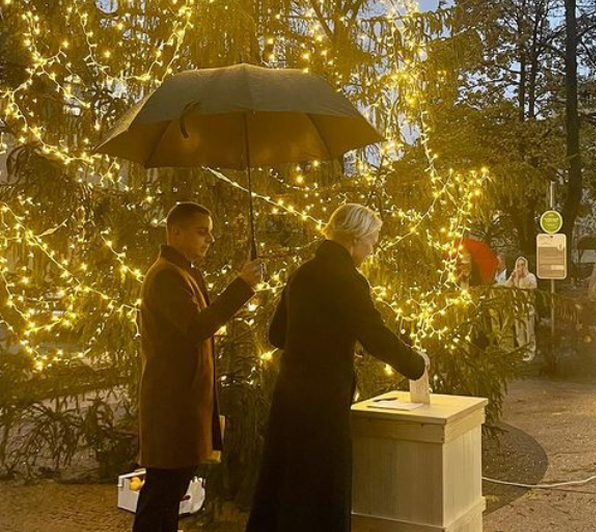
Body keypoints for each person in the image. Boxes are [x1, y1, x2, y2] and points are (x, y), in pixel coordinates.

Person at [246, 203, 429, 532]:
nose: (372, 250)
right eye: (372, 241)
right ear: (354, 239)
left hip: (289, 396)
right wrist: (416, 364)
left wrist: (329, 340)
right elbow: (375, 335)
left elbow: (277, 335)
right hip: (324, 401)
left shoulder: (302, 273)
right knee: (324, 488)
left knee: (287, 483)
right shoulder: (348, 279)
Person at [133, 202, 263, 532]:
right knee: (161, 494)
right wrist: (243, 285)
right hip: (171, 403)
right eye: (201, 232)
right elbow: (196, 327)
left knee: (168, 492)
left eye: (211, 233)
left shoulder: (183, 271)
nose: (209, 240)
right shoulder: (166, 275)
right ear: (175, 232)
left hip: (183, 402)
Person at [505, 256, 538, 362]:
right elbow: (506, 286)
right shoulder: (515, 277)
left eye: (522, 265)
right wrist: (513, 277)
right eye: (518, 265)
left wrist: (524, 277)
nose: (521, 267)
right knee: (519, 333)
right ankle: (522, 351)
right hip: (517, 309)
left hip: (528, 310)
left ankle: (531, 352)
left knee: (529, 332)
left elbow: (534, 286)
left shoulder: (530, 276)